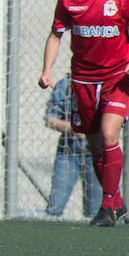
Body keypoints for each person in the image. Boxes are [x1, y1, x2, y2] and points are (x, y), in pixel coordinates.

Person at [38, 0, 129, 227]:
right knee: (97, 146)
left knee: (109, 134)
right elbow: (56, 34)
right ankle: (116, 201)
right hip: (83, 81)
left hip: (117, 77)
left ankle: (106, 207)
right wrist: (47, 69)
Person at [43, 75, 101, 218]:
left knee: (95, 211)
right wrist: (73, 128)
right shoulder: (65, 84)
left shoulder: (104, 85)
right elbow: (50, 119)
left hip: (97, 152)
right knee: (55, 207)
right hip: (69, 151)